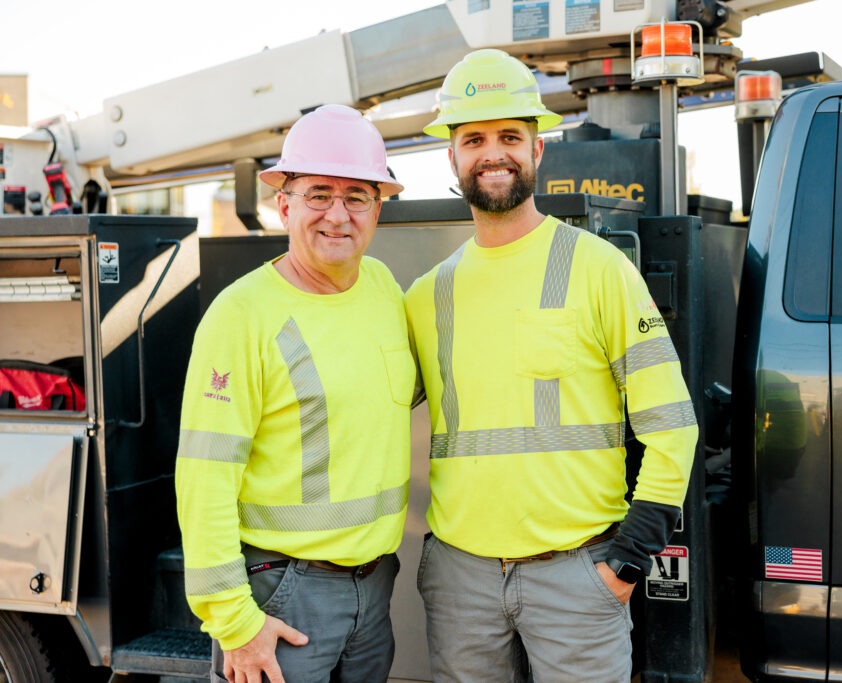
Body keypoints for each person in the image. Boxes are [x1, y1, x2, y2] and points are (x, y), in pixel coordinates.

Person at [404, 49, 700, 682]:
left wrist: (629, 560)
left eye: (511, 135)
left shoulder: (600, 269)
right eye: (474, 138)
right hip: (461, 582)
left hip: (578, 575)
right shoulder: (426, 295)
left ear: (538, 151)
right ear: (451, 157)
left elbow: (672, 422)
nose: (493, 152)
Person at [175, 104, 415, 683]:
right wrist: (234, 621)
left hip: (376, 586)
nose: (338, 215)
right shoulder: (241, 315)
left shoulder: (383, 288)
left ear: (379, 207)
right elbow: (204, 477)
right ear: (283, 203)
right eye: (318, 195)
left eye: (357, 196)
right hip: (281, 594)